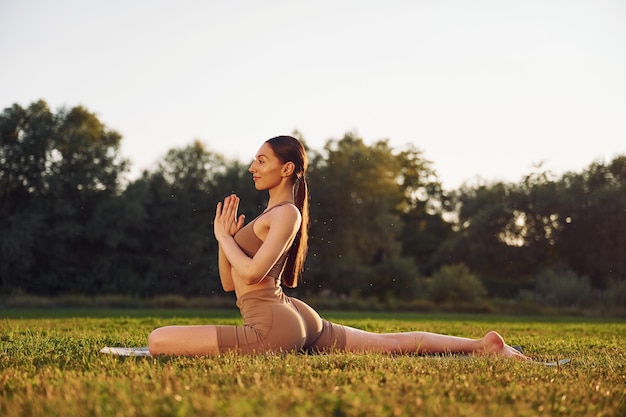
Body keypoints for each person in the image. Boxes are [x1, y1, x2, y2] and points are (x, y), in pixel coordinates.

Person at [148, 135, 528, 360]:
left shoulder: (286, 214)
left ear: (287, 169)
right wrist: (227, 240)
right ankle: (482, 345)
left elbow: (250, 273)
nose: (252, 166)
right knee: (387, 344)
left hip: (273, 328)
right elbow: (231, 284)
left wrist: (223, 239)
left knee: (157, 340)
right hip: (293, 316)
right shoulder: (267, 214)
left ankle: (480, 346)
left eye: (261, 160)